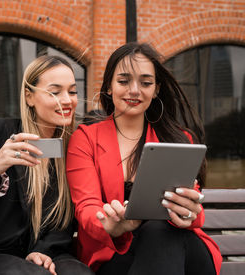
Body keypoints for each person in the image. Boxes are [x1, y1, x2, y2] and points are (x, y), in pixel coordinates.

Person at [66, 42, 222, 275]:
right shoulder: (85, 139)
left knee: (159, 232)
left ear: (156, 89)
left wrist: (189, 213)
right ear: (109, 86)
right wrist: (108, 224)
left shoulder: (177, 139)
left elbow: (194, 207)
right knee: (156, 236)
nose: (135, 90)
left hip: (183, 251)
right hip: (116, 254)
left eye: (146, 83)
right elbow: (87, 205)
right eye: (123, 81)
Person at [0, 55, 94, 275]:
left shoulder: (74, 146)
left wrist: (42, 250)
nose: (67, 100)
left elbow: (67, 218)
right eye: (55, 92)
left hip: (52, 250)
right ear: (29, 96)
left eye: (72, 91)